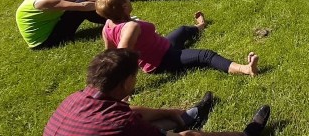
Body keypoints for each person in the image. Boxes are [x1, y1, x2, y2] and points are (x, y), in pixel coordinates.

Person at [44, 48, 271, 136]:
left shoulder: (75, 99)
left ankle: (187, 116)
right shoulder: (121, 124)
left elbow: (133, 112)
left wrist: (172, 112)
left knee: (156, 123)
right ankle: (246, 135)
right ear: (125, 82)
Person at [96, 0, 260, 77]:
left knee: (182, 30)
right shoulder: (130, 27)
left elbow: (107, 52)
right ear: (124, 7)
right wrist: (123, 87)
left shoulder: (108, 26)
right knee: (206, 56)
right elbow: (120, 57)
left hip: (164, 45)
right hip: (162, 61)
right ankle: (245, 69)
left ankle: (201, 25)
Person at [16, 0, 106, 49]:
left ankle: (113, 20)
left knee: (80, 3)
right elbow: (82, 6)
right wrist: (108, 5)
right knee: (78, 10)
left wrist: (102, 0)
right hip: (45, 43)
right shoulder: (44, 1)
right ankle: (115, 21)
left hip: (46, 36)